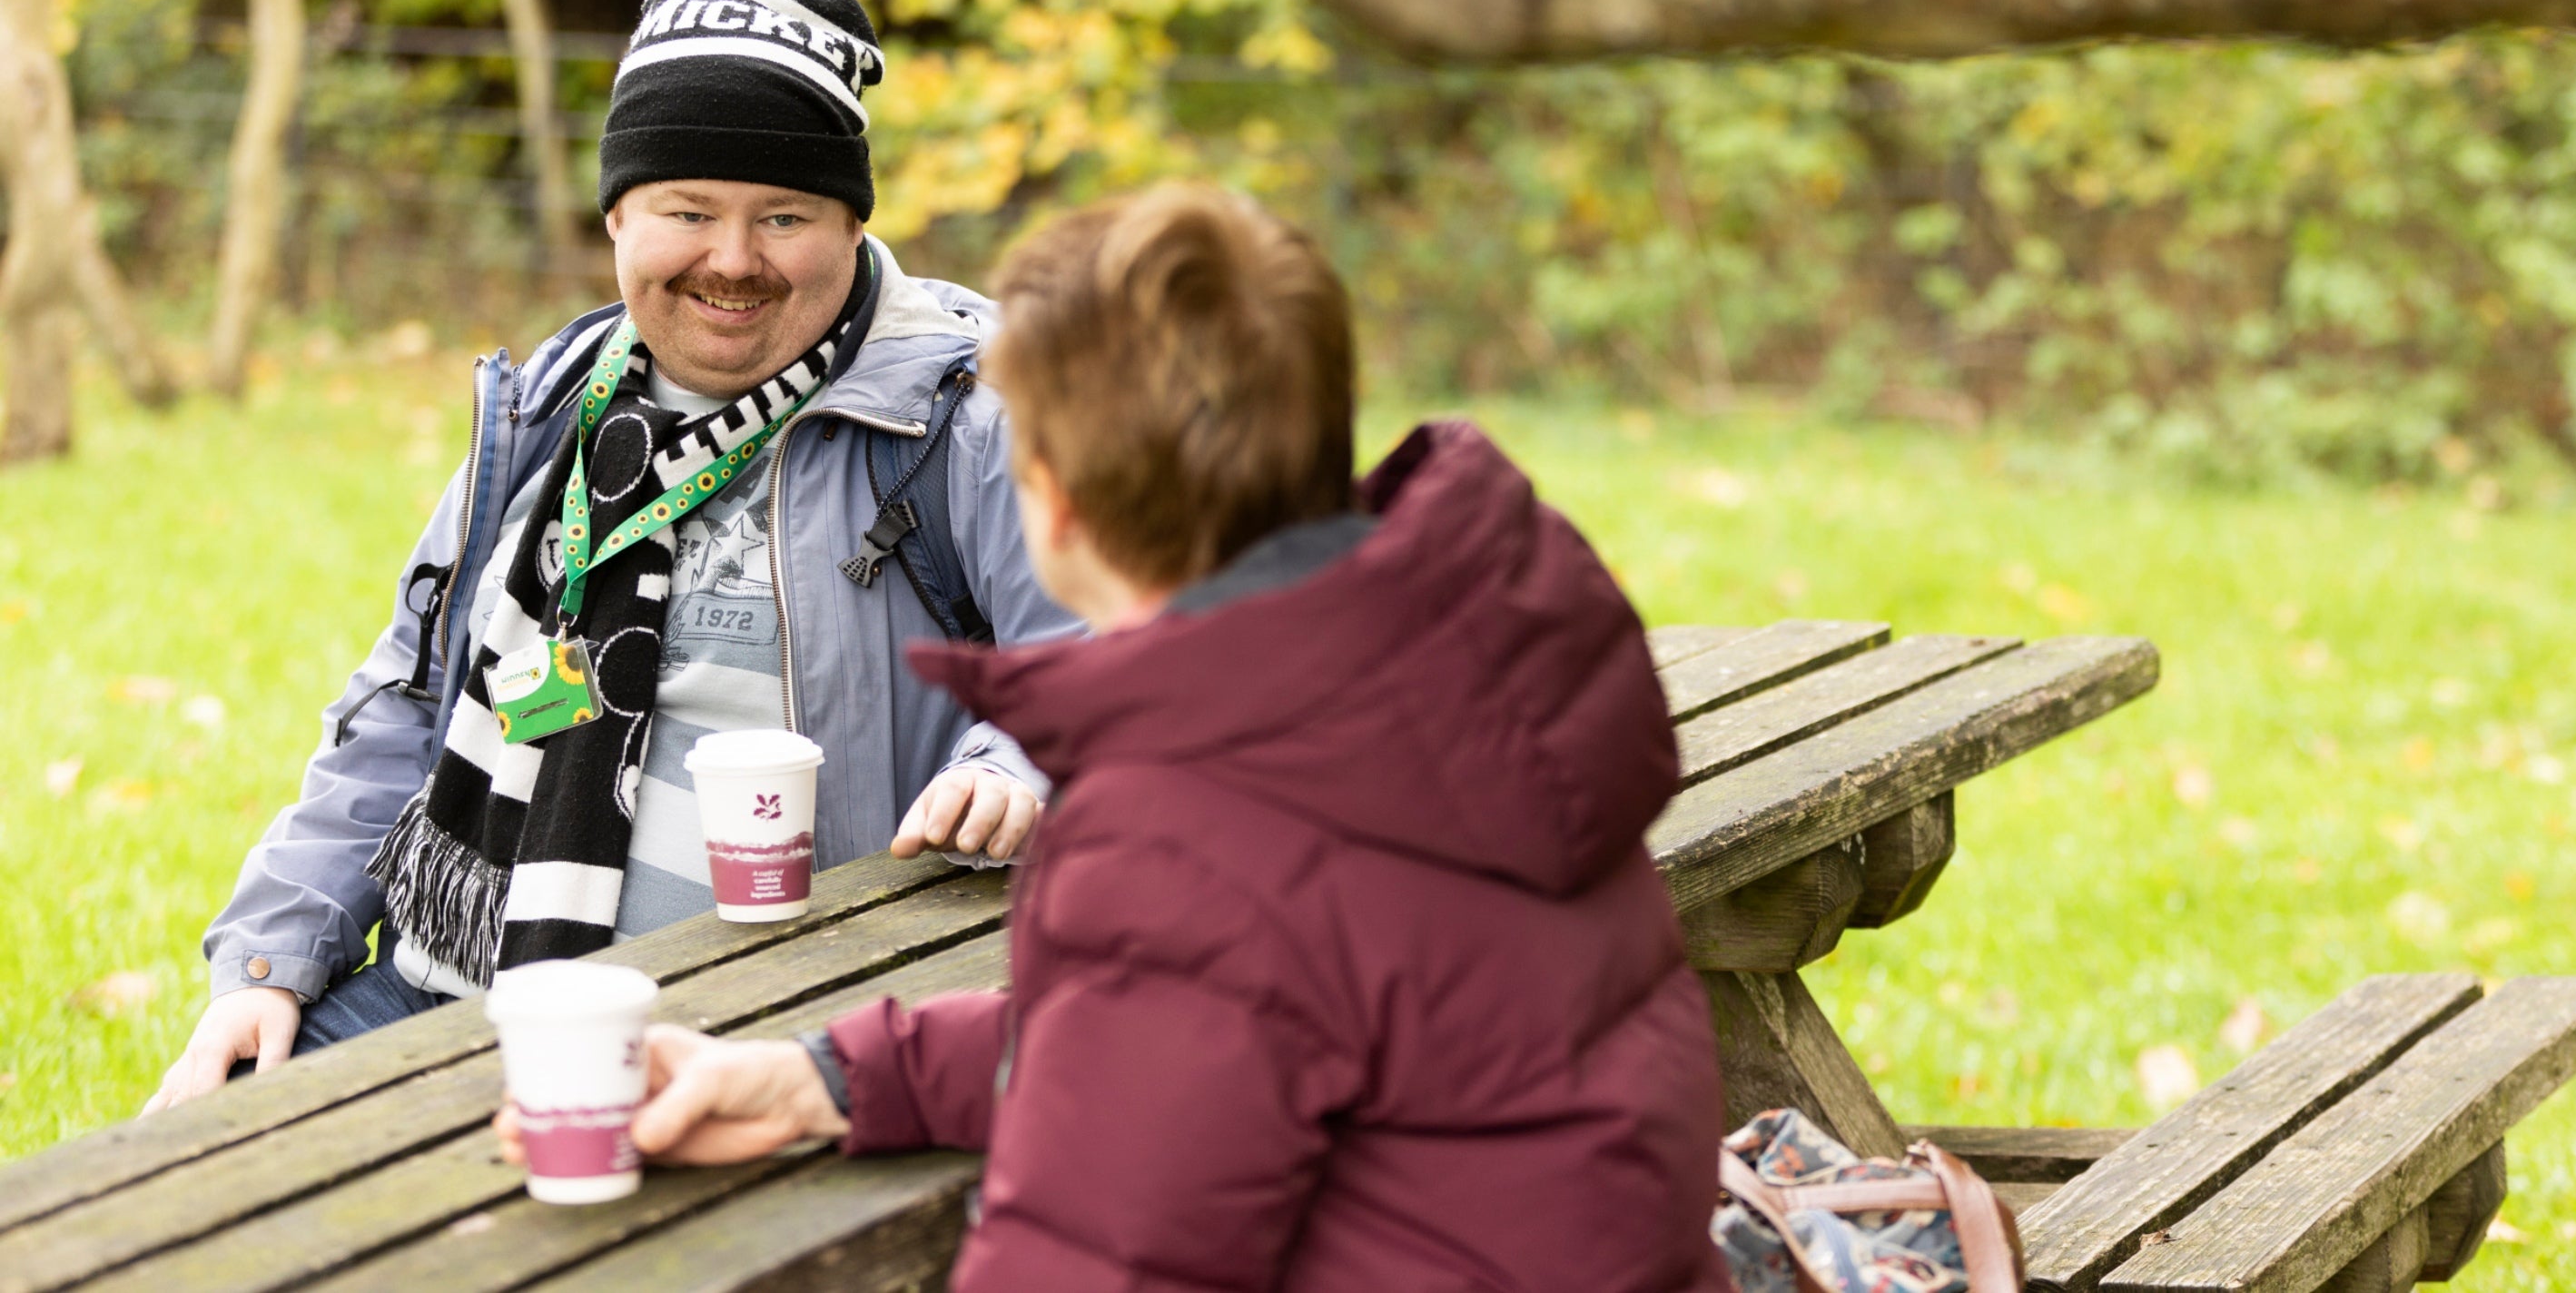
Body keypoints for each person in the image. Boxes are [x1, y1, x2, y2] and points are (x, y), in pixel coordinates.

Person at [504, 183, 1732, 1291]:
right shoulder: (1433, 688)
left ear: (1060, 502)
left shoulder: (1190, 829)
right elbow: (1199, 1041)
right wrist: (828, 1079)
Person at [146, 0, 1078, 1110]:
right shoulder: (559, 405)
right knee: (195, 1175)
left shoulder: (966, 414)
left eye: (784, 216)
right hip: (455, 979)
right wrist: (269, 965)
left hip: (759, 1026)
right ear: (619, 219)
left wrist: (1012, 764)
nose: (732, 262)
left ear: (851, 226)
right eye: (687, 211)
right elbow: (404, 701)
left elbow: (1111, 662)